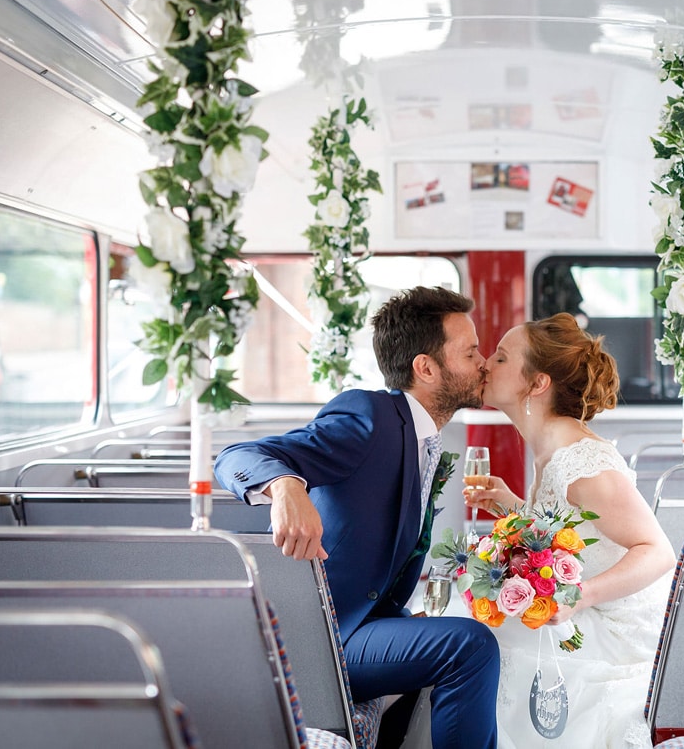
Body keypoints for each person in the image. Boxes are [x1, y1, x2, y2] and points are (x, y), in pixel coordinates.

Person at [214, 286, 500, 749]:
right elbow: (237, 456)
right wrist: (286, 486)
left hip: (363, 623)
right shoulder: (369, 417)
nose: (484, 361)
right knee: (469, 646)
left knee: (463, 630)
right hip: (321, 637)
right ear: (426, 368)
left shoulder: (426, 436)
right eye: (470, 352)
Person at [463, 312, 677, 748]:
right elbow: (574, 534)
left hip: (616, 628)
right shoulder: (549, 447)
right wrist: (512, 507)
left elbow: (657, 551)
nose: (485, 363)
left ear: (537, 384)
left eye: (501, 357)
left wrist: (577, 598)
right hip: (589, 610)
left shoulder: (582, 463)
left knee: (473, 636)